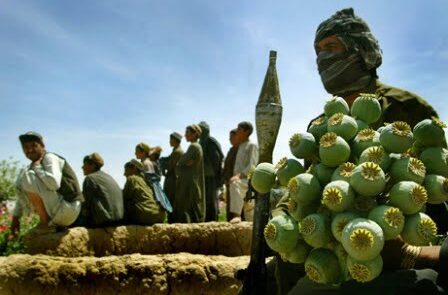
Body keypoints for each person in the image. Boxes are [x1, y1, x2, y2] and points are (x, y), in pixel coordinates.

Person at [269, 8, 447, 295]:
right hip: (333, 247)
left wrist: (411, 248)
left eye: (331, 46)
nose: (322, 58)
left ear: (360, 49)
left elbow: (435, 176)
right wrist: (283, 211)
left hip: (396, 250)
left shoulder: (407, 107)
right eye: (317, 51)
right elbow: (310, 183)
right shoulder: (320, 124)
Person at [11, 131, 83, 236]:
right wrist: (15, 217)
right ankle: (51, 223)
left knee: (28, 175)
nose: (30, 150)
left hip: (68, 208)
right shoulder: (33, 165)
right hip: (59, 211)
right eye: (25, 147)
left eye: (34, 145)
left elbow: (54, 184)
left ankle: (45, 223)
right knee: (23, 175)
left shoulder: (50, 157)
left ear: (42, 145)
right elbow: (24, 189)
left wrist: (37, 167)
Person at [172, 124, 206, 223]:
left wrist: (181, 163)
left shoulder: (194, 146)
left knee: (189, 208)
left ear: (195, 134)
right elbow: (183, 162)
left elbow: (181, 162)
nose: (185, 135)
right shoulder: (195, 146)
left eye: (187, 132)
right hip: (190, 181)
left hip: (190, 183)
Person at [81, 153, 124, 227]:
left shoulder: (90, 178)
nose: (82, 167)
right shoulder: (108, 176)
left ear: (93, 166)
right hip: (118, 220)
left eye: (85, 164)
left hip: (104, 221)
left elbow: (86, 206)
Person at [229, 121, 258, 222]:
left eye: (239, 129)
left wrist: (239, 176)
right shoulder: (241, 146)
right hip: (241, 181)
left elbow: (252, 165)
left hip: (247, 180)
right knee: (249, 212)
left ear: (247, 131)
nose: (237, 131)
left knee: (235, 184)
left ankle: (237, 215)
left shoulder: (252, 145)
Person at [122, 159, 166, 225]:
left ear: (134, 168)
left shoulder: (132, 178)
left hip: (145, 216)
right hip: (160, 215)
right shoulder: (148, 180)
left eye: (126, 170)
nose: (124, 174)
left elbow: (124, 198)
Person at [198, 121, 224, 222]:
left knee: (211, 200)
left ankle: (213, 221)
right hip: (204, 176)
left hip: (211, 177)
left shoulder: (210, 142)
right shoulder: (201, 142)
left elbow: (216, 161)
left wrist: (217, 178)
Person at [160, 132, 184, 222]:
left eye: (171, 140)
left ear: (176, 140)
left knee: (172, 203)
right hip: (172, 179)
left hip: (174, 180)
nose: (169, 141)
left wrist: (162, 163)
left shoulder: (178, 152)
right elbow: (168, 159)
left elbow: (169, 165)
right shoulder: (175, 150)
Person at [223, 128, 239, 221]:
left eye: (232, 137)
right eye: (229, 137)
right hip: (229, 182)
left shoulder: (241, 150)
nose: (230, 139)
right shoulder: (231, 150)